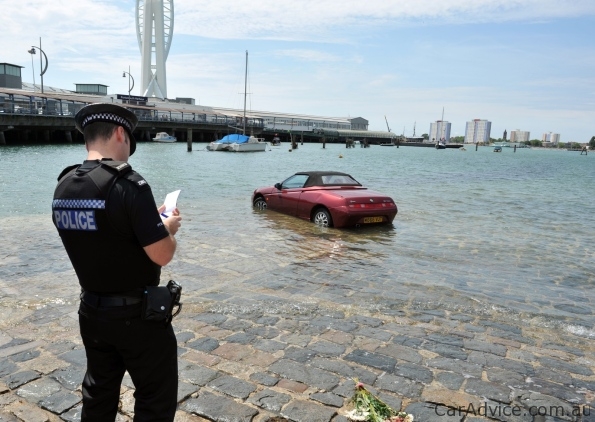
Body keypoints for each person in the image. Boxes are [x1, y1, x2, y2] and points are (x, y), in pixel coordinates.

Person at [51, 103, 182, 421]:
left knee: (98, 394)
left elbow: (103, 234)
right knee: (154, 397)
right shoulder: (128, 184)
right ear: (121, 133)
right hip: (136, 317)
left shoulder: (64, 186)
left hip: (91, 313)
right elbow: (161, 254)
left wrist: (147, 223)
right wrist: (167, 228)